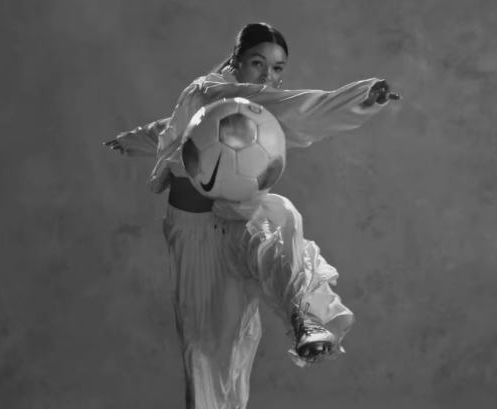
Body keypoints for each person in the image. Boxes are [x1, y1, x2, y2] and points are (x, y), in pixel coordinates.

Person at [105, 22, 400, 409]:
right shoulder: (208, 91)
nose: (269, 77)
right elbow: (171, 132)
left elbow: (297, 113)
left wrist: (358, 99)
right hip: (195, 238)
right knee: (211, 355)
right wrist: (134, 141)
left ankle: (305, 318)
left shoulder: (255, 109)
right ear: (235, 61)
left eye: (278, 69)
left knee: (277, 220)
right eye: (258, 63)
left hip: (238, 219)